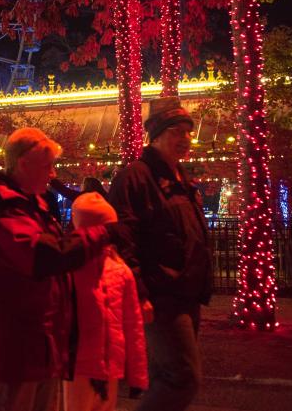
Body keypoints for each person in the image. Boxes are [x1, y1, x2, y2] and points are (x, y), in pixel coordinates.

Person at [0, 127, 127, 411]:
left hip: (38, 341)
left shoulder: (28, 205)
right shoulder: (1, 209)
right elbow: (41, 256)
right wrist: (102, 233)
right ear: (24, 164)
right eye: (47, 166)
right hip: (16, 343)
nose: (52, 174)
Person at [108, 97, 212, 411]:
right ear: (155, 136)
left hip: (186, 291)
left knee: (165, 375)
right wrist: (140, 292)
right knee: (182, 376)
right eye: (176, 132)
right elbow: (124, 240)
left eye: (187, 132)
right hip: (162, 294)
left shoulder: (180, 178)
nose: (184, 139)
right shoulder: (135, 177)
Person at [67, 192, 148, 411]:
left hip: (105, 367)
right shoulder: (71, 270)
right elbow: (133, 328)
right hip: (81, 367)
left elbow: (133, 326)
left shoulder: (120, 271)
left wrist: (138, 375)